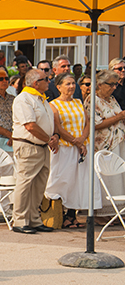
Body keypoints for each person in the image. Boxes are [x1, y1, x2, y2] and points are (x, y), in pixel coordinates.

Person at [46, 72, 99, 227]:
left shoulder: (78, 102)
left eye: (73, 83)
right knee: (62, 179)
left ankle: (72, 215)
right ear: (59, 87)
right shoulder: (53, 104)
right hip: (65, 147)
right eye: (67, 84)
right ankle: (59, 214)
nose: (71, 86)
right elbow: (58, 127)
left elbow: (87, 122)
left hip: (82, 146)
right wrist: (76, 142)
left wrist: (82, 140)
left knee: (79, 181)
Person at [10, 69, 58, 235]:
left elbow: (48, 123)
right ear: (36, 83)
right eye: (46, 79)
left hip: (43, 146)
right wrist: (48, 139)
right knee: (25, 183)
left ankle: (34, 219)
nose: (49, 82)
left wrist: (54, 136)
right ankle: (20, 219)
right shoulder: (23, 99)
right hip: (28, 145)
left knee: (39, 184)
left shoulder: (42, 99)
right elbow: (29, 125)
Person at [88, 70, 125, 207]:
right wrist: (119, 117)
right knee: (107, 178)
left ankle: (118, 209)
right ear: (100, 84)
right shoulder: (93, 100)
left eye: (115, 84)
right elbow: (95, 124)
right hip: (104, 145)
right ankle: (104, 210)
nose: (114, 88)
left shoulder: (112, 99)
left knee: (118, 178)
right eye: (111, 85)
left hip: (118, 142)